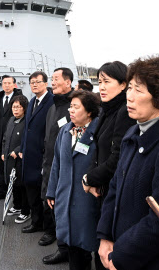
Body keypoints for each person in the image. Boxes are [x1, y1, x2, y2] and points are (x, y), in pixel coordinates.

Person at [97, 56, 159, 270]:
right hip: (120, 249)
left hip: (145, 260)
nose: (130, 97)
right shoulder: (133, 132)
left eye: (139, 90)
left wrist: (122, 254)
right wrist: (105, 235)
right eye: (130, 88)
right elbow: (115, 187)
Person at [82, 62, 135, 270]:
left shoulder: (124, 112)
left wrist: (90, 178)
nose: (101, 87)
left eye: (107, 82)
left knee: (109, 252)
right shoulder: (107, 109)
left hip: (115, 193)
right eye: (99, 81)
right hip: (102, 189)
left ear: (123, 85)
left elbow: (118, 155)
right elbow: (98, 148)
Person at [46, 90, 100, 270]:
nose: (71, 110)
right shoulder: (65, 131)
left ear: (90, 111)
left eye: (76, 107)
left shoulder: (98, 132)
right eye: (70, 106)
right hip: (64, 196)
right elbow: (56, 163)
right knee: (71, 244)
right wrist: (51, 191)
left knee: (87, 244)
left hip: (87, 200)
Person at [40, 67, 74, 265]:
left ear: (68, 82)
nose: (52, 82)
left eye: (56, 79)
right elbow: (48, 138)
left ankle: (70, 250)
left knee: (65, 209)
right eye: (51, 79)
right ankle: (63, 247)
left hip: (66, 168)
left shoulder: (74, 105)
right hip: (50, 164)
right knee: (52, 206)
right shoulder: (53, 107)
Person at [19, 71, 54, 232]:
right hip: (29, 155)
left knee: (45, 194)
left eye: (38, 82)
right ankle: (36, 222)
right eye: (31, 82)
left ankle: (48, 229)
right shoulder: (32, 101)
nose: (34, 84)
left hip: (43, 155)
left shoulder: (51, 102)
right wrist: (22, 149)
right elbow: (27, 129)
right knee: (31, 191)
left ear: (45, 83)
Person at [0, 75, 22, 201]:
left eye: (9, 83)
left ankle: (17, 196)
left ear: (14, 84)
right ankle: (2, 191)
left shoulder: (19, 99)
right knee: (2, 166)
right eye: (4, 83)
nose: (6, 85)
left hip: (14, 138)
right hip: (0, 139)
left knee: (14, 167)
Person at [2, 95, 30, 223]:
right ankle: (17, 206)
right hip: (9, 158)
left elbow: (27, 139)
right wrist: (3, 152)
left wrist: (17, 150)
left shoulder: (27, 122)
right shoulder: (11, 120)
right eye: (13, 107)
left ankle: (25, 211)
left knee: (22, 185)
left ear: (24, 108)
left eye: (18, 107)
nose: (15, 110)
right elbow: (5, 138)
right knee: (13, 184)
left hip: (20, 159)